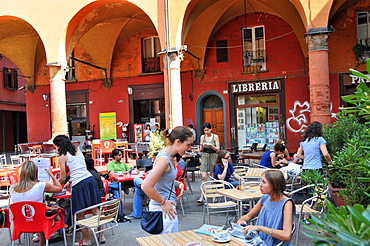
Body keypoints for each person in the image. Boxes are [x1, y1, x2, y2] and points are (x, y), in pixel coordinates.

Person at [141, 126, 193, 234]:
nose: (189, 148)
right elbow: (146, 186)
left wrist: (177, 184)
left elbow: (162, 180)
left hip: (165, 209)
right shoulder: (164, 160)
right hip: (163, 211)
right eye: (188, 144)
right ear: (178, 142)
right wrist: (163, 202)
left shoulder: (168, 157)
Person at [53, 135, 101, 246]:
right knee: (95, 209)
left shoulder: (62, 157)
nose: (55, 149)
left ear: (59, 146)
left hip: (79, 184)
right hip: (90, 179)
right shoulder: (77, 150)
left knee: (79, 213)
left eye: (55, 146)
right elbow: (80, 168)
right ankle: (100, 235)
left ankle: (87, 240)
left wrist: (54, 183)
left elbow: (63, 177)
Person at [10, 161, 62, 246]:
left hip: (21, 223)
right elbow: (59, 188)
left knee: (38, 211)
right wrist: (51, 175)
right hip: (40, 222)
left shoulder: (12, 188)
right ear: (35, 173)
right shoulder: (41, 186)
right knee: (44, 212)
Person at [237, 170, 295, 246]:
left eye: (264, 182)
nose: (260, 185)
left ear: (274, 185)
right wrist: (241, 221)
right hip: (257, 240)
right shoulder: (265, 198)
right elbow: (248, 216)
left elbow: (286, 236)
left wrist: (260, 228)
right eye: (261, 181)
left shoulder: (287, 203)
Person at [198, 122, 220, 203]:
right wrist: (201, 145)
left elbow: (218, 149)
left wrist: (211, 146)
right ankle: (202, 196)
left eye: (207, 130)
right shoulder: (202, 137)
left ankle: (213, 196)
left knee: (212, 176)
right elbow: (201, 150)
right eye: (205, 130)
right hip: (205, 156)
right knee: (203, 177)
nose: (206, 132)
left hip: (213, 156)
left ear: (211, 129)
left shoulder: (215, 137)